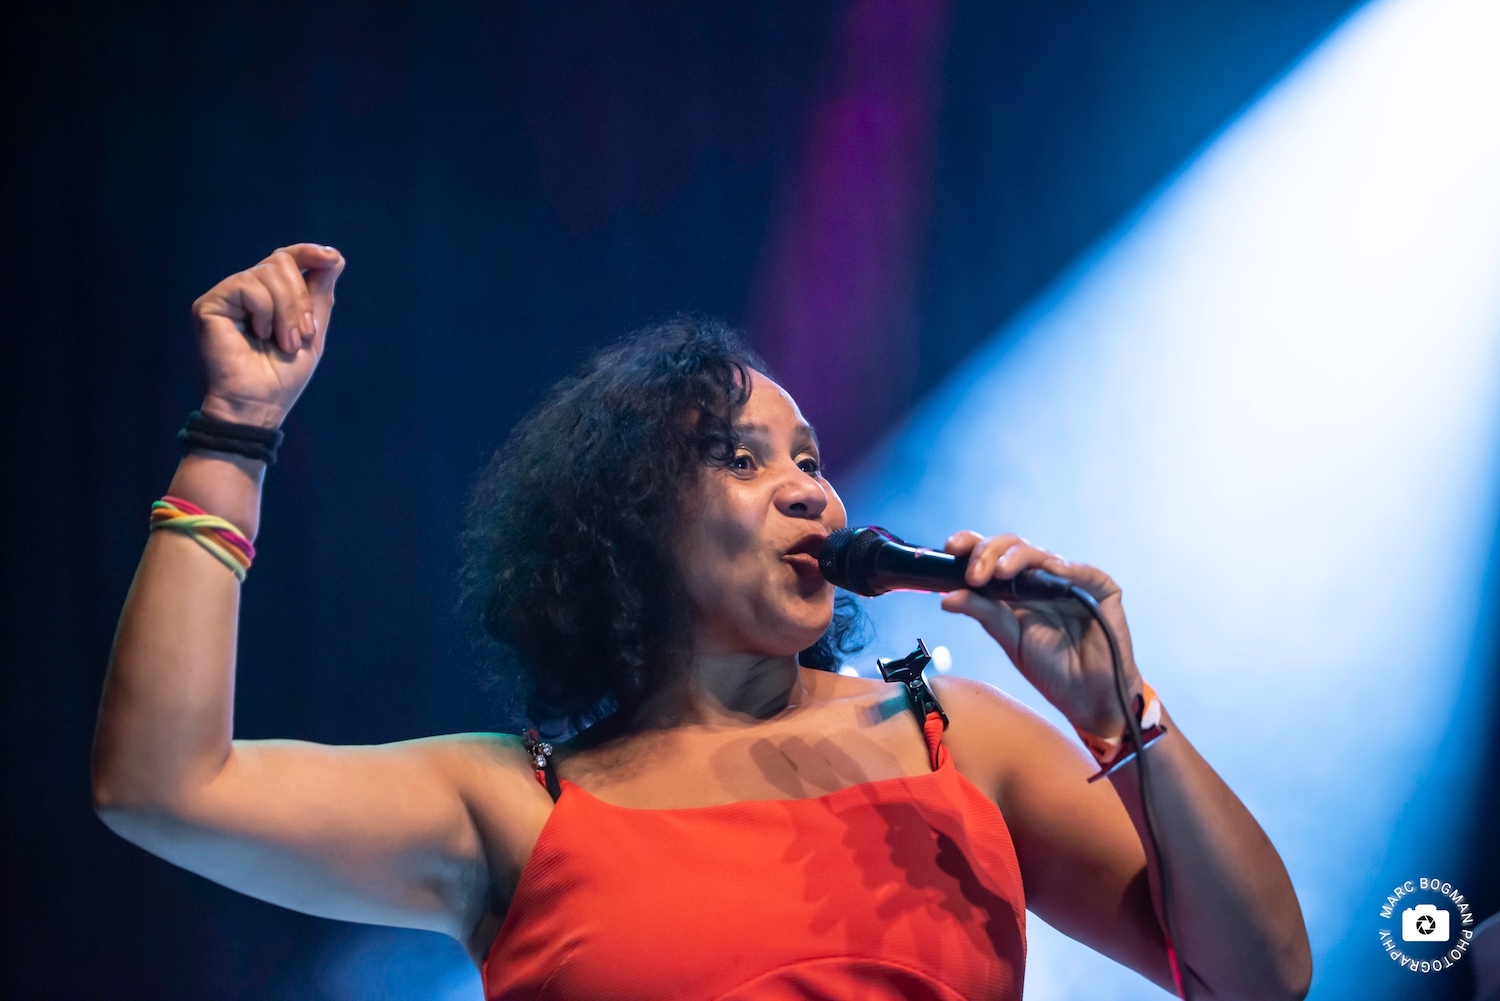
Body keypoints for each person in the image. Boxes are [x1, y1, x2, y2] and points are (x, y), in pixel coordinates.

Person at [92, 244, 1312, 1000]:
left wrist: (1122, 717)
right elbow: (161, 785)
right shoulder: (514, 803)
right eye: (742, 458)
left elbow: (1262, 977)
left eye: (812, 459)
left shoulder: (953, 737)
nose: (811, 490)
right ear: (626, 524)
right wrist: (233, 432)